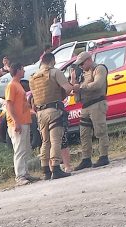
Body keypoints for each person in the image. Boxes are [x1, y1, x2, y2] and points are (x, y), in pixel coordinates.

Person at [29, 52, 76, 180]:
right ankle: (56, 168)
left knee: (45, 141)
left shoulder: (33, 77)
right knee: (56, 140)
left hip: (40, 113)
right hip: (54, 110)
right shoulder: (55, 72)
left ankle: (45, 170)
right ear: (52, 61)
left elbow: (34, 97)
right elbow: (67, 89)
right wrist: (72, 84)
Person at [72, 51, 110, 171]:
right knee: (84, 133)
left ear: (89, 60)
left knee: (100, 131)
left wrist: (81, 87)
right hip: (86, 106)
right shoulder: (84, 74)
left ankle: (104, 156)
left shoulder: (99, 69)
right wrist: (74, 82)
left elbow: (98, 84)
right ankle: (86, 158)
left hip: (97, 103)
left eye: (82, 63)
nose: (81, 66)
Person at [4, 62, 38, 186]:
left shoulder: (18, 85)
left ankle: (25, 173)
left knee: (25, 149)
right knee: (19, 149)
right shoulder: (12, 85)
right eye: (23, 69)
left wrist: (30, 112)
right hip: (17, 123)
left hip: (24, 121)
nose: (24, 71)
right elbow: (9, 105)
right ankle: (20, 176)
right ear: (18, 70)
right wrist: (15, 121)